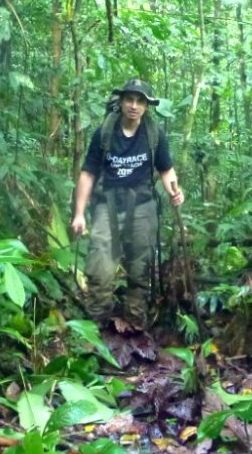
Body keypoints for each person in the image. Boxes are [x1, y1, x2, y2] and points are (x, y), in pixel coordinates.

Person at [70, 79, 184, 329]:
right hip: (108, 204)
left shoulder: (154, 135)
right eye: (129, 99)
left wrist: (174, 191)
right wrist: (79, 214)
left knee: (140, 270)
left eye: (140, 101)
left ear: (147, 106)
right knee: (99, 267)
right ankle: (97, 327)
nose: (134, 106)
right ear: (121, 102)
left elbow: (166, 170)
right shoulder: (105, 133)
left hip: (142, 206)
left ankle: (135, 325)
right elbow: (88, 173)